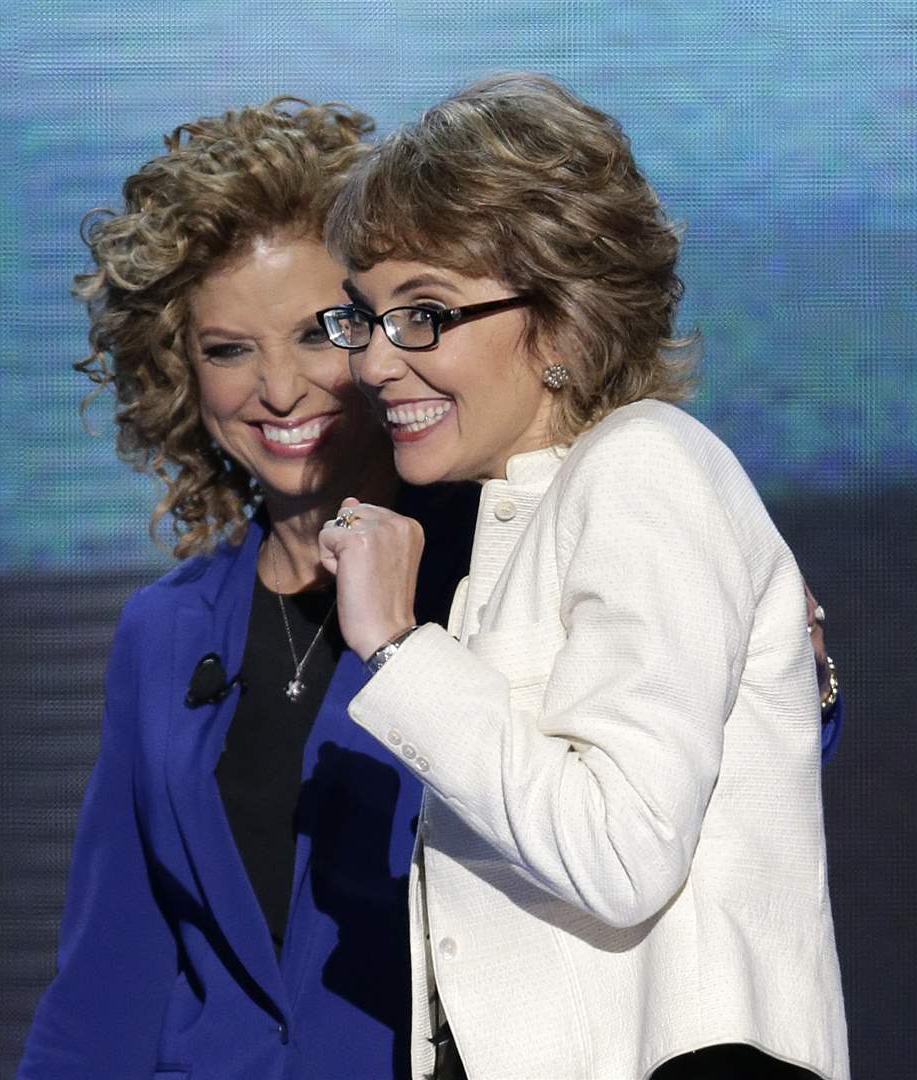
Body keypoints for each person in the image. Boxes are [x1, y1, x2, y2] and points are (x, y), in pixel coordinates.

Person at [318, 73, 849, 1079]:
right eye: (366, 319)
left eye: (423, 315)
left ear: (562, 325)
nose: (377, 365)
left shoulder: (645, 465)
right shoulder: (540, 506)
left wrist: (398, 645)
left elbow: (621, 855)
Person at [17, 97, 477, 1080]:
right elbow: (111, 974)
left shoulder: (495, 566)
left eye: (321, 333)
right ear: (177, 373)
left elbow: (655, 767)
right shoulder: (166, 630)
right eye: (229, 349)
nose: (277, 390)